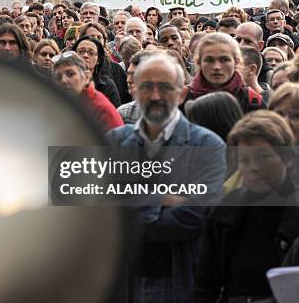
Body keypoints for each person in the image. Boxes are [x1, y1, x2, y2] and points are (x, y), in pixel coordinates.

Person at [106, 53, 226, 303]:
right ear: (135, 90)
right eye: (147, 87)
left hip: (180, 280)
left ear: (182, 94)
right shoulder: (114, 143)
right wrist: (160, 199)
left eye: (165, 87)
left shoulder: (207, 146)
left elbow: (194, 216)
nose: (156, 96)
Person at [193, 110, 299, 303]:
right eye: (245, 160)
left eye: (263, 157)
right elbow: (205, 285)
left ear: (287, 159)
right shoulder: (223, 212)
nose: (254, 167)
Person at [184, 33, 264, 113]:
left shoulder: (252, 100)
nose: (216, 67)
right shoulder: (183, 97)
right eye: (209, 60)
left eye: (224, 60)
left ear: (236, 62)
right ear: (199, 62)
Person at [52, 51, 122, 132]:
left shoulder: (101, 110)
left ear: (86, 77)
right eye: (58, 77)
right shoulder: (63, 104)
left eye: (70, 74)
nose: (63, 80)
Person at [72, 36, 121, 107]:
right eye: (81, 51)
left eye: (91, 53)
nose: (85, 55)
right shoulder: (64, 80)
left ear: (98, 60)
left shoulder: (107, 86)